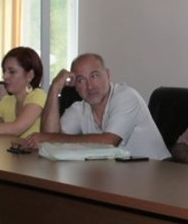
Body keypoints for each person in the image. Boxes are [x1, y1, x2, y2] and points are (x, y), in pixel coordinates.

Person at [19, 52, 171, 158]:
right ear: (75, 86)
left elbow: (109, 142)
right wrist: (54, 88)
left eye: (94, 76)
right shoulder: (79, 108)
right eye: (81, 80)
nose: (90, 86)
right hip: (117, 175)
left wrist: (53, 139)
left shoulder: (126, 97)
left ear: (108, 75)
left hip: (157, 174)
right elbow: (50, 138)